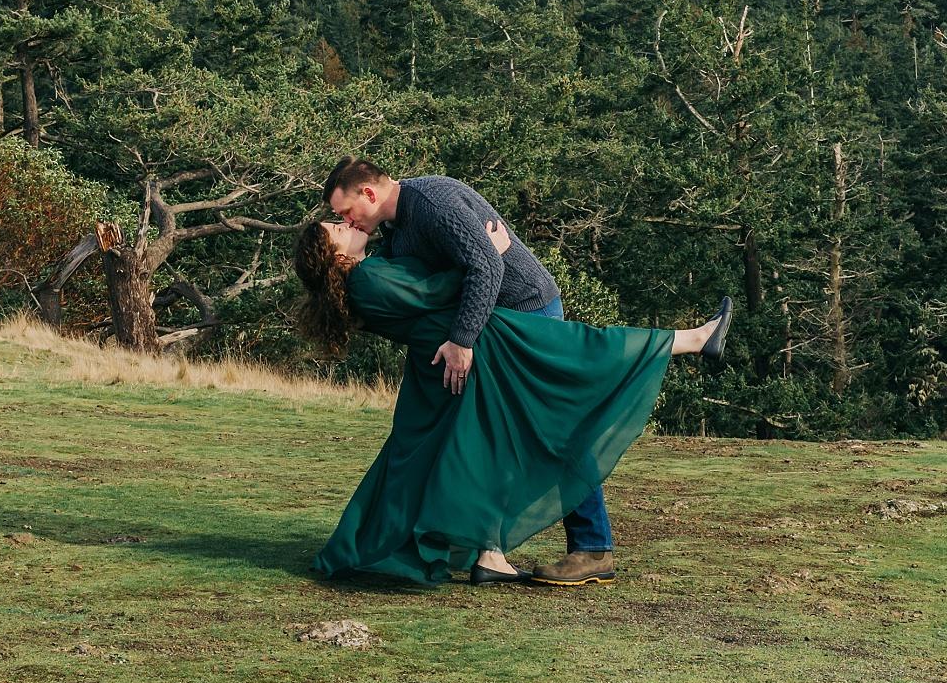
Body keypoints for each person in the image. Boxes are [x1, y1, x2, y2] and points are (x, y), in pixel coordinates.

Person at [294, 216, 732, 586]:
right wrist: (489, 249)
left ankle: (489, 555)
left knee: (481, 449)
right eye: (336, 227)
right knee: (583, 350)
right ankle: (694, 339)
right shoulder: (367, 277)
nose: (346, 223)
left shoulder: (369, 274)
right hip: (481, 347)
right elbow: (436, 292)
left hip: (461, 356)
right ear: (334, 254)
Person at [321, 157, 616, 585]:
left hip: (527, 311)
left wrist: (461, 340)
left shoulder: (431, 203)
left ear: (369, 193)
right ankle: (490, 552)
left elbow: (487, 266)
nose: (346, 220)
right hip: (497, 326)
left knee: (556, 429)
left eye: (346, 212)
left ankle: (591, 548)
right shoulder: (395, 225)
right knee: (497, 433)